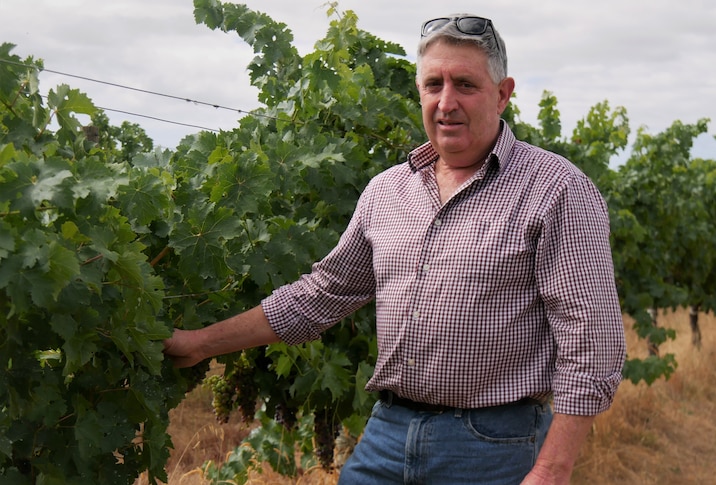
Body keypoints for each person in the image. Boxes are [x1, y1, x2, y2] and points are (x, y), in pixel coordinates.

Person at [164, 14, 626, 485]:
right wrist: (200, 344)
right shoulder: (388, 191)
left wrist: (552, 467)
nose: (447, 102)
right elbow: (321, 294)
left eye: (465, 84)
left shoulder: (557, 189)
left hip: (493, 446)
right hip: (386, 435)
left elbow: (592, 340)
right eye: (433, 84)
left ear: (503, 93)